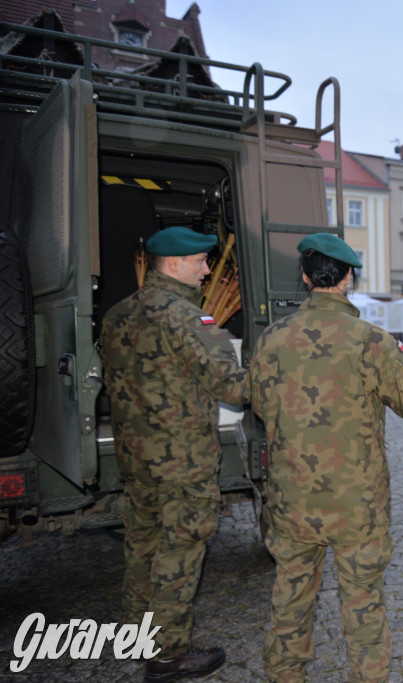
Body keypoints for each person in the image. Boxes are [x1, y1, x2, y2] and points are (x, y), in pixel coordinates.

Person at [249, 233, 403, 683]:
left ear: (304, 276)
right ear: (349, 277)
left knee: (290, 600)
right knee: (364, 605)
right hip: (357, 504)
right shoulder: (372, 341)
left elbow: (260, 405)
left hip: (292, 499)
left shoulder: (271, 339)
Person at [99, 225, 247, 682]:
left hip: (136, 458)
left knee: (142, 544)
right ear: (176, 264)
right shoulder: (186, 318)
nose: (207, 271)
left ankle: (136, 634)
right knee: (179, 552)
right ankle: (166, 655)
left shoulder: (118, 315)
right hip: (183, 462)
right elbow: (233, 388)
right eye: (202, 262)